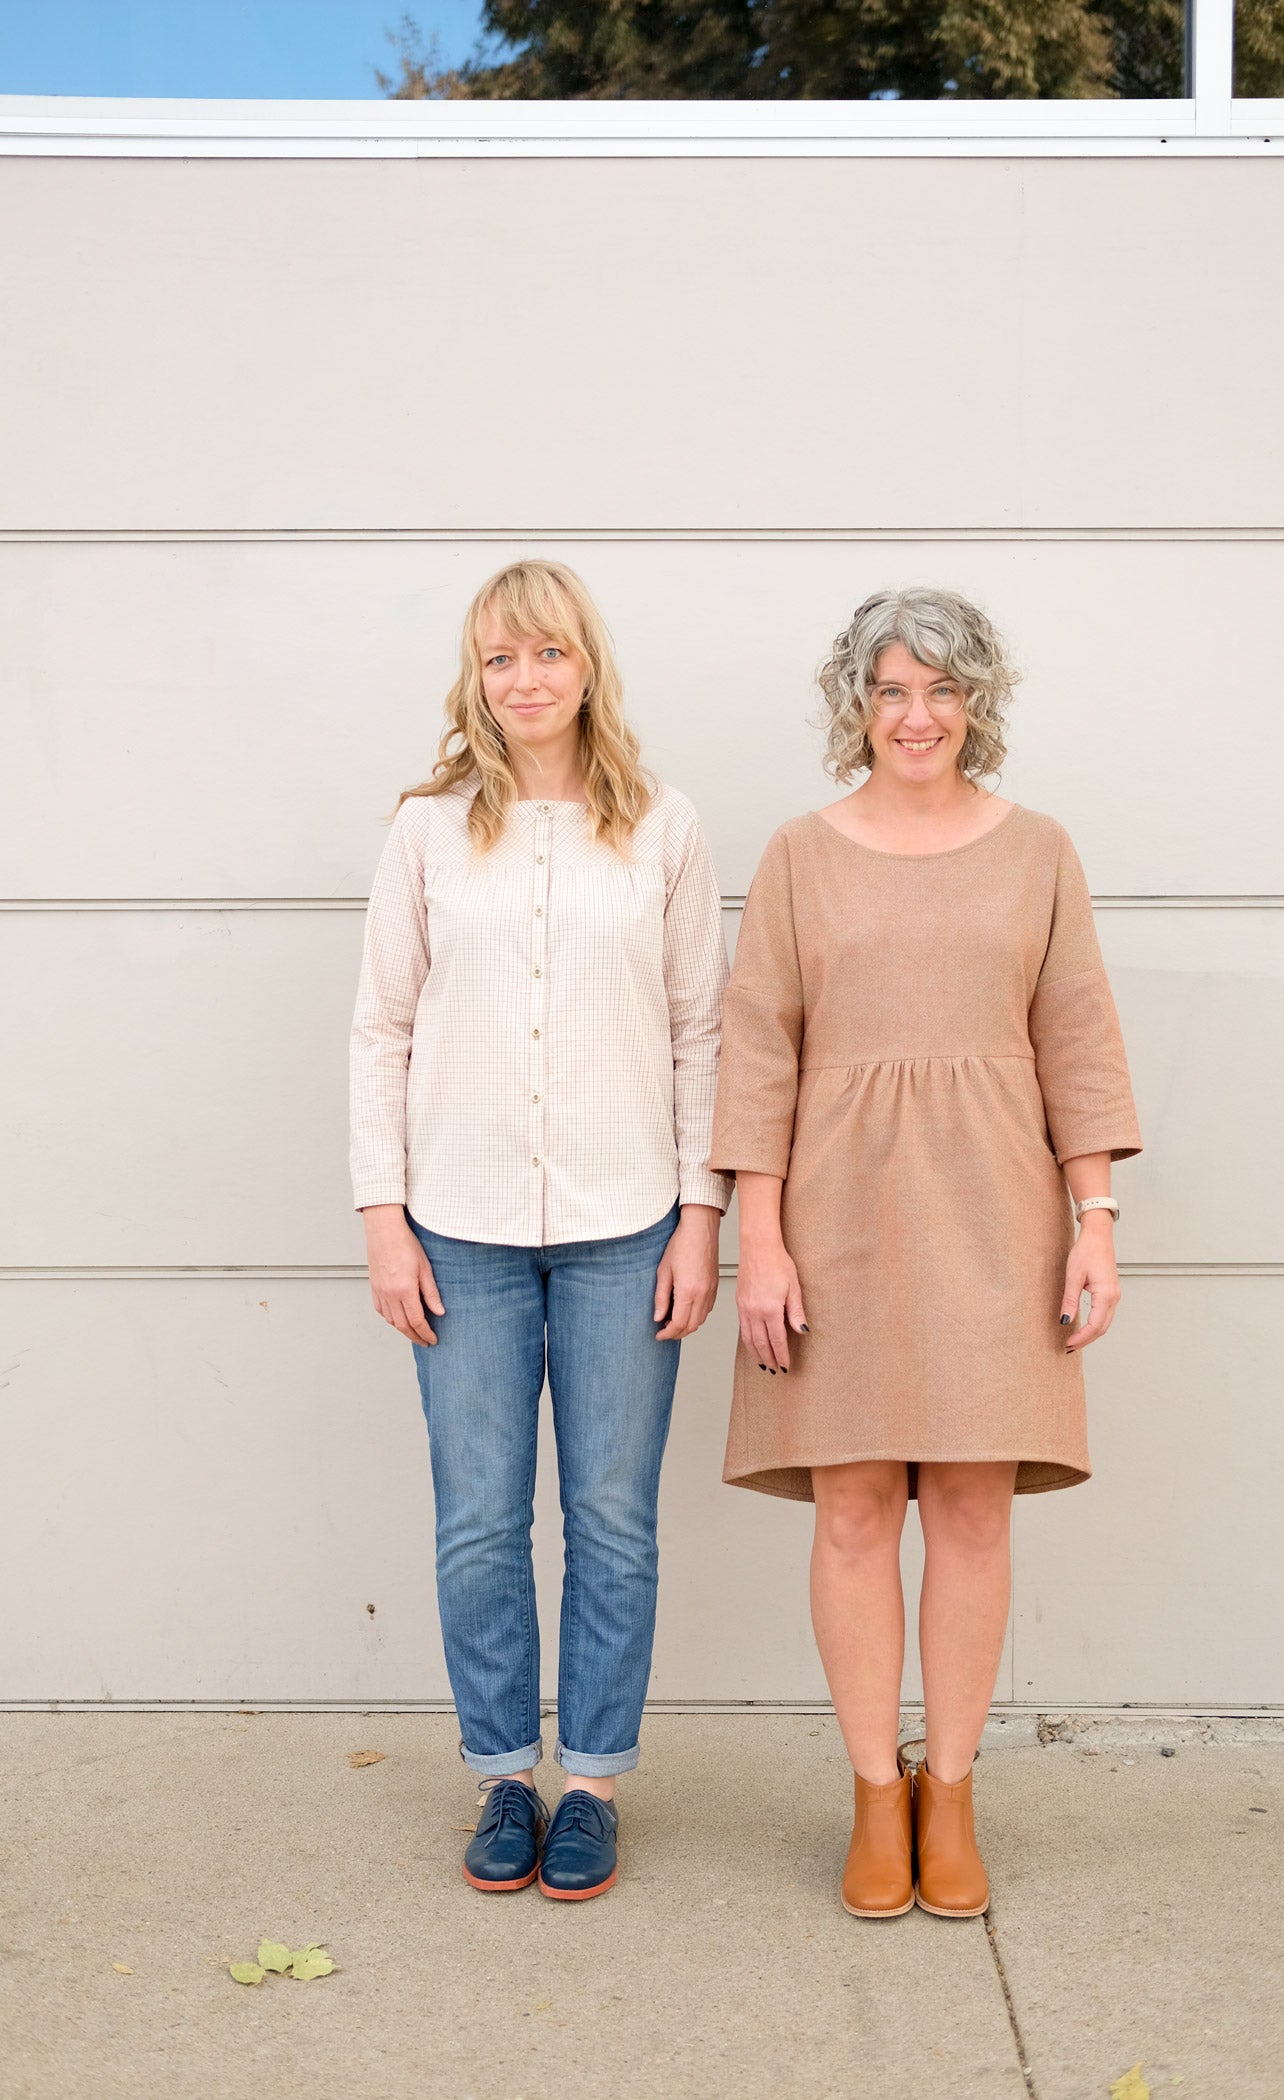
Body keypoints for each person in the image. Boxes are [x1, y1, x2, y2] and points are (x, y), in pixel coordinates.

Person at [707, 586, 1141, 1919]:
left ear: (977, 704)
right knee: (849, 1509)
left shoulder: (1039, 851)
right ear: (859, 702)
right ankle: (870, 1794)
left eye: (942, 690)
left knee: (967, 1505)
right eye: (892, 689)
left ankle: (949, 1789)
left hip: (996, 1217)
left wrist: (1095, 1226)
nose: (917, 714)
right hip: (835, 1217)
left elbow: (1075, 1038)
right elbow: (759, 1048)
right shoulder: (798, 852)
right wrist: (760, 1242)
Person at [349, 560, 730, 1902]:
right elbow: (381, 1027)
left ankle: (596, 1785)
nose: (526, 681)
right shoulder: (428, 834)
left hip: (630, 1223)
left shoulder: (666, 829)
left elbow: (699, 1034)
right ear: (477, 677)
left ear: (586, 669)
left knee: (615, 1520)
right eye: (501, 659)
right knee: (478, 1521)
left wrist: (703, 1217)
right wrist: (384, 1217)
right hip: (459, 1224)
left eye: (549, 655)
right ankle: (506, 1772)